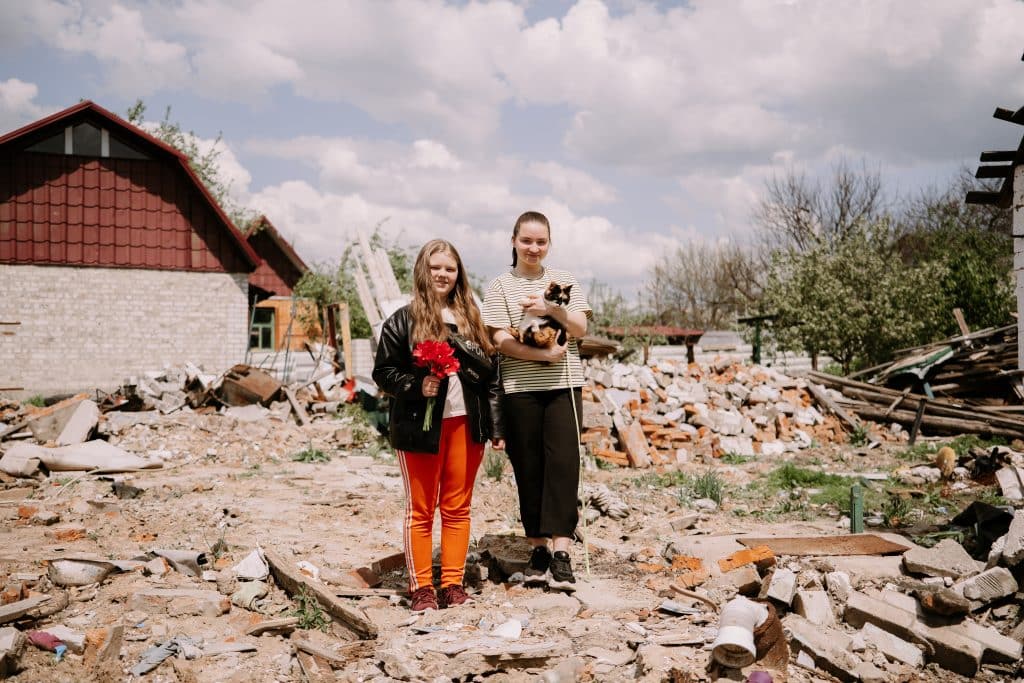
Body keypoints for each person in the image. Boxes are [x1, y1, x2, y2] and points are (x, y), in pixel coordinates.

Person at [373, 239, 504, 612]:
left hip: (466, 424)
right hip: (420, 427)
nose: (443, 274)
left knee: (457, 507)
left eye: (450, 268)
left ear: (458, 273)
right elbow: (383, 372)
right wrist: (417, 385)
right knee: (421, 509)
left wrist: (496, 427)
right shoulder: (403, 319)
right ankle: (421, 588)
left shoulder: (471, 318)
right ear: (423, 271)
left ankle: (452, 583)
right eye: (436, 267)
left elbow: (491, 376)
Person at [482, 211, 591, 591]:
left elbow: (581, 328)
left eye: (540, 241)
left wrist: (551, 310)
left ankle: (561, 552)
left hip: (564, 385)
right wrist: (542, 356)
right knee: (529, 469)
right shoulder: (499, 286)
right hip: (520, 387)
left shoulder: (565, 283)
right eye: (526, 241)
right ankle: (538, 549)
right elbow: (498, 339)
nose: (533, 248)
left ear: (549, 244)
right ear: (513, 241)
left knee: (563, 466)